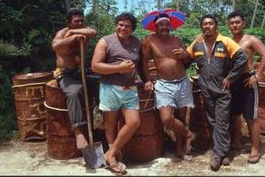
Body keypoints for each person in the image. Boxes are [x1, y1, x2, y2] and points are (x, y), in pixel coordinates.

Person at [186, 14, 248, 171]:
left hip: (222, 89)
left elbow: (242, 58)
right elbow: (186, 58)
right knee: (212, 120)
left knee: (222, 120)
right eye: (205, 24)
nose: (207, 26)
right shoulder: (197, 43)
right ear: (202, 27)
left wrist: (231, 77)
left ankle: (217, 155)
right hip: (206, 88)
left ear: (216, 26)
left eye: (211, 23)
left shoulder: (225, 41)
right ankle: (224, 151)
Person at [91, 12, 145, 174]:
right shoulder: (105, 41)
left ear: (132, 29)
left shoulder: (136, 42)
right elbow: (95, 66)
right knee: (111, 124)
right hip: (110, 88)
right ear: (116, 25)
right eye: (121, 24)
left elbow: (140, 65)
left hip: (130, 88)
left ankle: (110, 152)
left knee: (134, 122)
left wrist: (146, 79)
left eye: (127, 26)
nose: (123, 28)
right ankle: (113, 157)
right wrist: (119, 68)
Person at [142, 13, 195, 161]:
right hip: (164, 84)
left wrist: (185, 55)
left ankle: (180, 150)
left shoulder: (177, 40)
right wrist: (147, 79)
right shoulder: (150, 40)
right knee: (167, 119)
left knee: (182, 117)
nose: (164, 27)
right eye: (161, 24)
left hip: (182, 81)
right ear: (156, 26)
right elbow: (144, 61)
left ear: (170, 25)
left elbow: (186, 60)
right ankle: (189, 134)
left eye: (166, 24)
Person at [227, 11, 265, 164]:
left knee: (251, 117)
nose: (235, 25)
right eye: (232, 23)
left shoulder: (251, 40)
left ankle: (255, 149)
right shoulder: (228, 42)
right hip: (233, 82)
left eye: (237, 22)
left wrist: (257, 75)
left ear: (243, 23)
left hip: (248, 81)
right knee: (234, 114)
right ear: (228, 25)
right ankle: (237, 141)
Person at [51, 8, 97, 150]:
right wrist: (71, 37)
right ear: (68, 23)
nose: (80, 23)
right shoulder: (62, 33)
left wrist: (75, 32)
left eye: (82, 20)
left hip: (82, 71)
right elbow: (56, 46)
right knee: (75, 92)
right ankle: (78, 132)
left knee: (103, 84)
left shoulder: (83, 30)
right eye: (76, 21)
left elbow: (93, 32)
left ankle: (104, 122)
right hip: (66, 74)